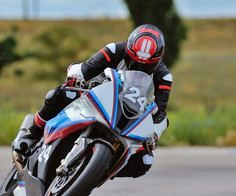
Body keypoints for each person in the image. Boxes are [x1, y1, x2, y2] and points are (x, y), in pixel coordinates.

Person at [13, 24, 172, 178]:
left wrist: (154, 135)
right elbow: (85, 68)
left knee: (144, 162)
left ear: (157, 61)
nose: (139, 68)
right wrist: (76, 78)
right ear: (128, 52)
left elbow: (160, 112)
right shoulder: (115, 50)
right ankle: (32, 132)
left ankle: (96, 172)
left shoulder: (164, 76)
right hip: (94, 96)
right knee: (60, 94)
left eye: (146, 66)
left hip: (126, 118)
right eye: (134, 62)